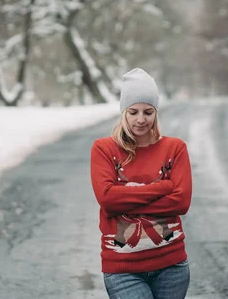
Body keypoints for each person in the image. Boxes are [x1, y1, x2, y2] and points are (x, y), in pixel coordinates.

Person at [90, 67, 193, 299]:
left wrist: (124, 200)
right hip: (123, 269)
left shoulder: (174, 148)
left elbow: (181, 202)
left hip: (172, 265)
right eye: (133, 111)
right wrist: (163, 188)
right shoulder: (104, 149)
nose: (140, 119)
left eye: (148, 112)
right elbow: (107, 199)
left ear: (156, 112)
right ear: (123, 112)